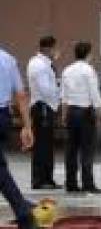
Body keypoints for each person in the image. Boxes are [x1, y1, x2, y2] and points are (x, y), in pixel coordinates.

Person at [60, 42, 101, 194]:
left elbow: (64, 96)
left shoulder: (67, 70)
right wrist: (100, 112)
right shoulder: (88, 70)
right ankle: (88, 183)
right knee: (87, 150)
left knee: (71, 150)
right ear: (88, 54)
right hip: (85, 113)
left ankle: (71, 183)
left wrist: (64, 115)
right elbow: (94, 94)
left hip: (71, 112)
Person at [0, 46, 36, 228]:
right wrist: (27, 126)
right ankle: (22, 208)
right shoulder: (8, 59)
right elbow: (21, 95)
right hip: (3, 116)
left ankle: (24, 213)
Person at [26, 36, 60, 190]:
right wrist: (59, 92)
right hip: (43, 107)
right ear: (47, 48)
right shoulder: (38, 65)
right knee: (41, 145)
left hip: (46, 106)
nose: (55, 51)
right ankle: (39, 180)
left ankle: (48, 178)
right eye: (54, 48)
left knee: (47, 144)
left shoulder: (45, 64)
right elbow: (45, 89)